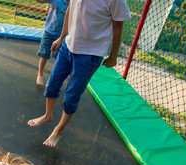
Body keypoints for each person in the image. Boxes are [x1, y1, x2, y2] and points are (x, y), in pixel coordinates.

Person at [28, 0, 131, 147]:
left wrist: (113, 55)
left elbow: (118, 26)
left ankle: (59, 129)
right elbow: (71, 7)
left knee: (71, 95)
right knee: (52, 85)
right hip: (67, 47)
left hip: (90, 54)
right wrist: (62, 37)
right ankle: (47, 115)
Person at [35, 0, 69, 85]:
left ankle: (54, 78)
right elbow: (41, 1)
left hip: (62, 36)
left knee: (59, 58)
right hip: (49, 32)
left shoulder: (74, 3)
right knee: (44, 54)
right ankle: (40, 74)